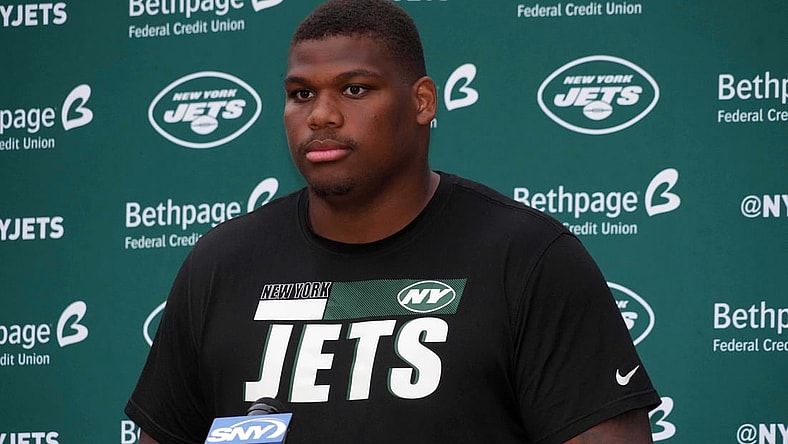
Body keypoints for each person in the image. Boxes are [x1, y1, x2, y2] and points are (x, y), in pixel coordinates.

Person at [125, 0, 661, 442]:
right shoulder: (221, 265)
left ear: (423, 101)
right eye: (300, 94)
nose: (321, 115)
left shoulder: (525, 258)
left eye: (355, 89)